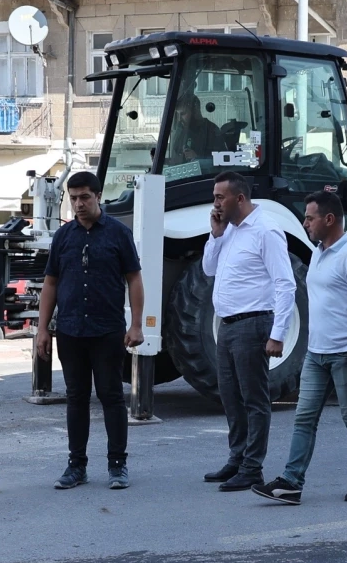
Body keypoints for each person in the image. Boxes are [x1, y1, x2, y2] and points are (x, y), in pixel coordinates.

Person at [254, 191, 347, 505]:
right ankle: (291, 483)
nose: (305, 223)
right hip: (316, 354)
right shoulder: (319, 252)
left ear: (329, 219)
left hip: (346, 354)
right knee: (304, 419)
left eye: (309, 218)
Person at [34, 170, 144, 490]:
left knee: (111, 396)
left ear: (98, 197)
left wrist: (136, 324)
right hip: (70, 330)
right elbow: (51, 282)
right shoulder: (64, 237)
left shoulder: (118, 234)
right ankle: (76, 466)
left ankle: (117, 465)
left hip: (107, 330)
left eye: (84, 197)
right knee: (76, 398)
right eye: (74, 198)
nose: (79, 204)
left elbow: (134, 278)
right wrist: (43, 329)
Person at [201, 170, 296, 492]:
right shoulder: (229, 229)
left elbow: (285, 284)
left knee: (254, 399)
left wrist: (278, 333)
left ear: (239, 198)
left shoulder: (266, 230)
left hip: (254, 324)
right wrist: (215, 234)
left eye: (219, 197)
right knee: (229, 396)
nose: (215, 203)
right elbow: (209, 270)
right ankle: (237, 458)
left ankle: (252, 467)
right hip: (227, 326)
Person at [170, 93, 218, 163]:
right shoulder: (181, 130)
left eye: (183, 114)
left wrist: (198, 158)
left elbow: (223, 160)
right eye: (178, 115)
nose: (179, 119)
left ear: (196, 110)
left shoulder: (212, 130)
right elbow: (175, 156)